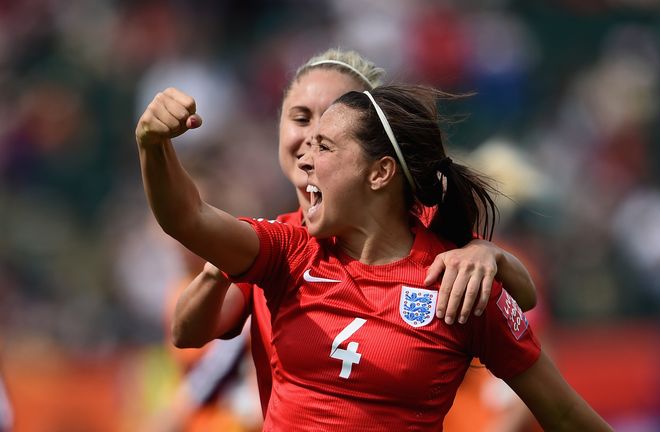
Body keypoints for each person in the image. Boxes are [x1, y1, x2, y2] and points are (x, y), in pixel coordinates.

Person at [135, 81, 612, 430]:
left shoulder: (458, 280)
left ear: (380, 173)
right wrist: (153, 145)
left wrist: (496, 259)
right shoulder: (289, 249)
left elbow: (564, 415)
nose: (304, 159)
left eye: (324, 146)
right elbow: (188, 218)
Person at [169, 49, 538, 419]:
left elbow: (522, 301)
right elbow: (188, 334)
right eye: (300, 118)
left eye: (332, 121)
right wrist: (220, 259)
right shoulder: (274, 242)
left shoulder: (422, 234)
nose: (312, 136)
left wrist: (491, 255)